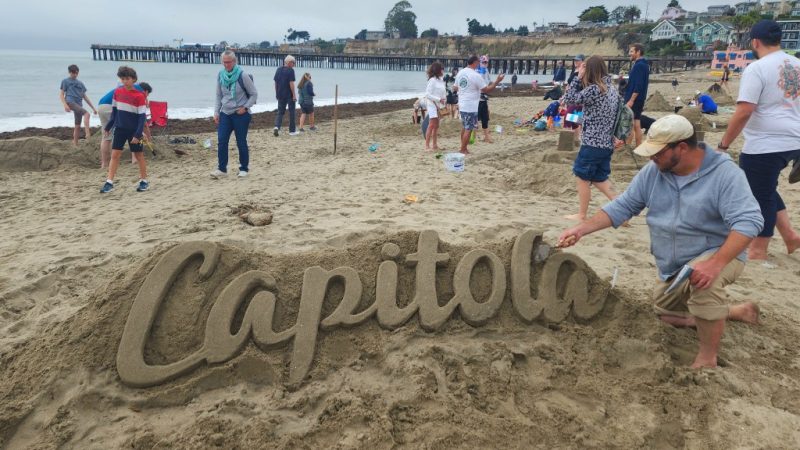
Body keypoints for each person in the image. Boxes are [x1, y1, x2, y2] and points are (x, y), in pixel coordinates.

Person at [559, 114, 764, 369]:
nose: (652, 158)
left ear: (681, 147)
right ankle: (733, 312)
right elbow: (623, 206)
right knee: (664, 314)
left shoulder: (724, 174)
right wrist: (581, 229)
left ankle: (707, 358)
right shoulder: (655, 172)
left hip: (719, 253)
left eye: (658, 153)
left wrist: (716, 263)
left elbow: (750, 223)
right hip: (673, 266)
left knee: (702, 283)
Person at [718, 20, 800, 260]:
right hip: (794, 139)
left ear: (754, 41)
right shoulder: (797, 64)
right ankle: (790, 236)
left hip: (766, 142)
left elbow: (744, 110)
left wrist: (724, 144)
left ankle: (758, 249)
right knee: (766, 186)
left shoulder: (757, 68)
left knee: (759, 194)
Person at [561, 55, 623, 222]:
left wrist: (577, 78)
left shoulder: (595, 89)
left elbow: (569, 100)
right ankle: (623, 211)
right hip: (606, 142)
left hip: (592, 142)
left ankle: (581, 214)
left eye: (584, 68)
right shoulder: (611, 89)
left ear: (590, 70)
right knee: (599, 178)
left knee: (582, 176)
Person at [99, 66, 149, 194]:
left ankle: (144, 181)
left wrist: (138, 134)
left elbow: (141, 117)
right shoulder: (118, 92)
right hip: (120, 128)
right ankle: (109, 182)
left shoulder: (139, 96)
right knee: (115, 155)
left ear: (134, 80)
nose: (125, 81)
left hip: (134, 131)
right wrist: (109, 126)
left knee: (139, 156)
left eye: (127, 79)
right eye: (122, 79)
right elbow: (115, 112)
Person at [211, 50, 258, 179]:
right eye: (224, 62)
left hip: (240, 114)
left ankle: (243, 168)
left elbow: (254, 94)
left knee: (241, 142)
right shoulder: (220, 75)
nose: (226, 64)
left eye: (228, 62)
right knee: (222, 141)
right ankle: (222, 169)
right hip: (225, 113)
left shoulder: (242, 75)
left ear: (234, 61)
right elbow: (218, 95)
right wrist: (216, 112)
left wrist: (245, 107)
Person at [454, 55, 504, 154]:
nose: (479, 64)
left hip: (462, 104)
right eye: (478, 62)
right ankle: (463, 149)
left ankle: (463, 147)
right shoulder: (475, 75)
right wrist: (497, 81)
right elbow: (486, 89)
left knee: (465, 126)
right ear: (475, 62)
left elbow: (455, 87)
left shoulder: (461, 72)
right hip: (470, 105)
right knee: (469, 128)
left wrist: (465, 90)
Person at [97, 82, 152, 168]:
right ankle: (135, 159)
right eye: (147, 95)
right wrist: (149, 138)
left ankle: (104, 164)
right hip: (111, 106)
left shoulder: (128, 87)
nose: (146, 98)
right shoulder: (139, 91)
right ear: (146, 91)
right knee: (132, 129)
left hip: (101, 106)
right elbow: (142, 120)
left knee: (106, 137)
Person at [59, 64, 97, 146]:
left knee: (77, 126)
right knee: (87, 114)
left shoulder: (80, 83)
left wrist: (93, 108)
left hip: (79, 104)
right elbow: (61, 94)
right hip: (70, 101)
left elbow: (85, 97)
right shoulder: (65, 81)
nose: (75, 75)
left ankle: (75, 144)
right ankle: (88, 134)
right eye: (73, 73)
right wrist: (65, 105)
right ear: (69, 72)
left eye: (76, 73)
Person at [624, 43, 650, 147]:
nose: (629, 54)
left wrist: (631, 100)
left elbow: (638, 85)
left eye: (631, 51)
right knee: (636, 123)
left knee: (630, 123)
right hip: (640, 99)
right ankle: (638, 146)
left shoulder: (639, 65)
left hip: (635, 99)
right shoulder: (644, 65)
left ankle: (628, 146)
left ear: (638, 52)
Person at [424, 61, 446, 151]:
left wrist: (444, 101)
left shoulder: (440, 80)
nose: (443, 71)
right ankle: (426, 146)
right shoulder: (432, 80)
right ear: (438, 70)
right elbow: (427, 94)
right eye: (442, 69)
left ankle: (435, 145)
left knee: (436, 126)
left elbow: (443, 93)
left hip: (439, 105)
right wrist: (439, 99)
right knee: (431, 124)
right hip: (432, 104)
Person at [273, 55, 297, 136]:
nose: (294, 64)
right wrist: (294, 95)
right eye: (293, 63)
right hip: (289, 95)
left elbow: (276, 83)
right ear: (289, 62)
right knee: (292, 112)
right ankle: (292, 131)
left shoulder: (278, 69)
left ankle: (277, 127)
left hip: (280, 94)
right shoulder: (291, 70)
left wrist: (276, 93)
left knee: (280, 112)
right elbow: (291, 83)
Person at [564, 54, 585, 132]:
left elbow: (583, 85)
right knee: (575, 121)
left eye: (578, 60)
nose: (575, 62)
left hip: (577, 98)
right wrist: (564, 95)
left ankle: (574, 139)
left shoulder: (583, 71)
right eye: (575, 60)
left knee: (569, 118)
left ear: (582, 61)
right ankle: (576, 140)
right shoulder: (574, 70)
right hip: (570, 97)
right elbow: (569, 83)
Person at [477, 55, 493, 143]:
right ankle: (473, 137)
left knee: (485, 118)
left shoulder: (486, 70)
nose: (485, 64)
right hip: (478, 99)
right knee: (476, 119)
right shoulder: (478, 71)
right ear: (480, 62)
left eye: (486, 62)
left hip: (484, 97)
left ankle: (487, 137)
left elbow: (488, 82)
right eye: (483, 62)